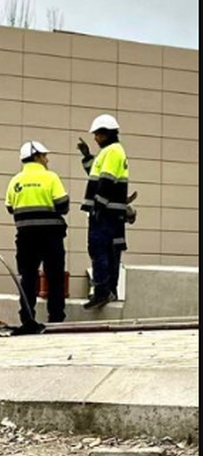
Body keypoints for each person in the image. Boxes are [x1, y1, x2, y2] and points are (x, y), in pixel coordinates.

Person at [6, 142, 70, 335]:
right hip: (51, 236)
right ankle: (56, 318)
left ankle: (27, 318)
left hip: (25, 237)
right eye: (44, 155)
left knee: (27, 278)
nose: (47, 159)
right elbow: (63, 205)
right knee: (55, 277)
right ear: (36, 156)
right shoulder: (51, 178)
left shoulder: (15, 181)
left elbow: (10, 207)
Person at [79, 114, 131, 310]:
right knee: (110, 251)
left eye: (97, 135)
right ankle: (109, 290)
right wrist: (86, 157)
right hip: (111, 212)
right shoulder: (111, 152)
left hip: (105, 213)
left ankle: (102, 291)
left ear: (106, 134)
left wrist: (98, 206)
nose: (95, 138)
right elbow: (96, 173)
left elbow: (106, 181)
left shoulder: (113, 152)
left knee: (99, 248)